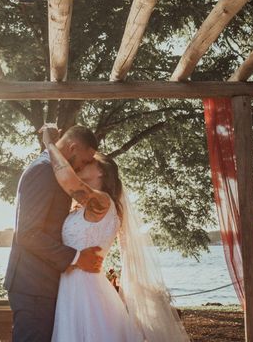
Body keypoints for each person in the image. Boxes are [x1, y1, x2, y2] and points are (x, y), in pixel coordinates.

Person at [41, 124, 190, 342]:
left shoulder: (103, 202)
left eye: (89, 162)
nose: (82, 164)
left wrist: (48, 144)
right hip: (72, 288)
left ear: (101, 171)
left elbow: (67, 179)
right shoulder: (82, 207)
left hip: (86, 292)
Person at [5, 125, 104, 342]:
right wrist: (78, 258)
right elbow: (28, 233)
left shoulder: (52, 169)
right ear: (72, 147)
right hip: (34, 286)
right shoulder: (44, 170)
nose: (83, 167)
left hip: (41, 284)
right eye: (85, 161)